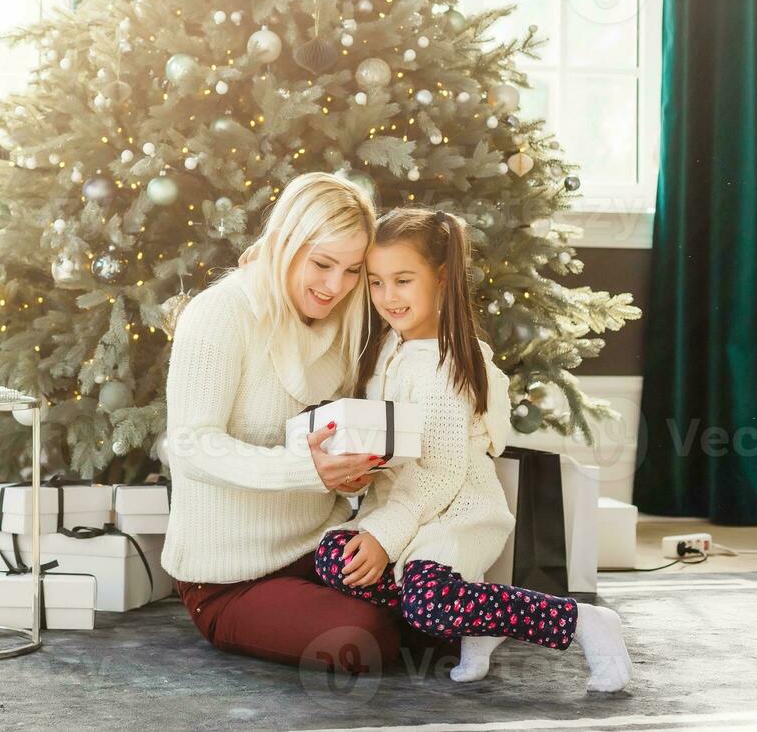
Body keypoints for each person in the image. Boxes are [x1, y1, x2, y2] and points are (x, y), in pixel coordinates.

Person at [313, 206, 635, 692]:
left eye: (403, 280)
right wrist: (363, 475)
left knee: (430, 604)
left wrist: (382, 535)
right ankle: (477, 618)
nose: (387, 297)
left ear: (441, 278)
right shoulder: (385, 349)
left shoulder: (448, 367)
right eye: (376, 282)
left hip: (454, 514)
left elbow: (439, 476)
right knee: (332, 556)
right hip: (401, 515)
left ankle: (582, 622)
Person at [161, 172, 453, 674]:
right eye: (321, 264)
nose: (334, 287)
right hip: (231, 578)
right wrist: (307, 470)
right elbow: (190, 446)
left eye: (352, 270)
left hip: (321, 549)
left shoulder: (345, 320)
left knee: (441, 616)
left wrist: (357, 470)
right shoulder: (220, 314)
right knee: (365, 638)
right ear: (283, 244)